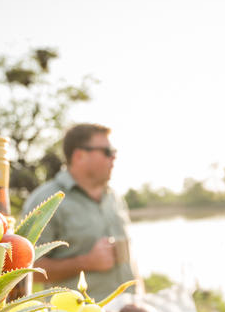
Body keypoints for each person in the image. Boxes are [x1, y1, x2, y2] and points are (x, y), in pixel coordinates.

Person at [22, 123, 138, 302]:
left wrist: (140, 294)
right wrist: (87, 262)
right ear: (79, 156)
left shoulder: (115, 197)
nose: (114, 156)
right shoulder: (45, 200)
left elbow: (130, 257)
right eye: (107, 151)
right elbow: (26, 269)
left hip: (131, 308)